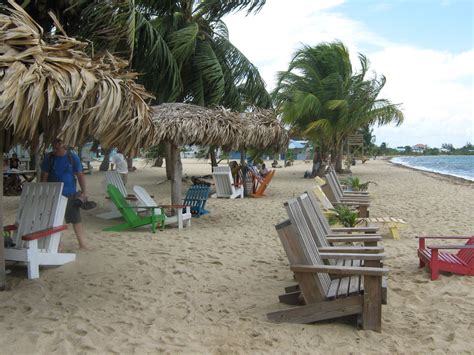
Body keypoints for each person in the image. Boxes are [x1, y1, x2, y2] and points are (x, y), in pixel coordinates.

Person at [41, 138, 89, 250]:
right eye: (55, 142)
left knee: (76, 219)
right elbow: (44, 176)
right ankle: (58, 245)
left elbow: (80, 175)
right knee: (54, 220)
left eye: (59, 142)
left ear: (64, 144)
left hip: (70, 193)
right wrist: (44, 191)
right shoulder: (49, 158)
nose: (56, 144)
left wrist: (84, 191)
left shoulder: (72, 157)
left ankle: (82, 244)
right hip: (53, 194)